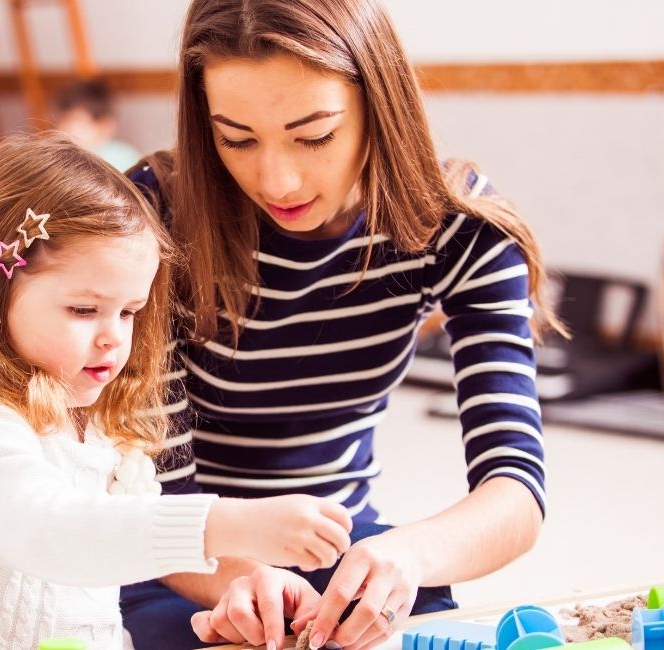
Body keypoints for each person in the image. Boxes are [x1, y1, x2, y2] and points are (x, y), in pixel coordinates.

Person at [119, 1, 563, 649]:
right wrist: (247, 578)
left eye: (314, 135)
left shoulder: (465, 231)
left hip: (348, 556)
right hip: (183, 560)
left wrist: (408, 556)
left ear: (378, 105)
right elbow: (155, 500)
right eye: (236, 139)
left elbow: (515, 490)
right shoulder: (150, 219)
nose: (278, 178)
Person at [0, 133, 354, 650]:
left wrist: (248, 580)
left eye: (129, 311)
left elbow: (132, 538)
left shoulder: (100, 427)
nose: (114, 336)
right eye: (84, 310)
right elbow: (55, 532)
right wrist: (230, 522)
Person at [53, 78, 143, 172]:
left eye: (75, 121)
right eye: (61, 120)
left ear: (105, 125)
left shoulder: (124, 158)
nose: (63, 128)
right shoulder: (60, 156)